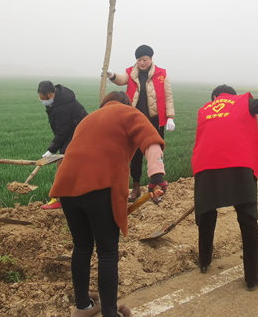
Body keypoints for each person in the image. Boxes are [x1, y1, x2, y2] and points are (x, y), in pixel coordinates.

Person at [50, 91, 167, 317]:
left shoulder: (88, 119)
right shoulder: (128, 113)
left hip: (67, 188)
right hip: (100, 187)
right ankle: (110, 314)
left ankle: (83, 306)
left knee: (82, 246)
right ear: (126, 104)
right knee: (107, 252)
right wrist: (157, 177)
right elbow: (152, 142)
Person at [191, 85, 258, 291]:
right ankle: (253, 276)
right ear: (232, 95)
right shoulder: (242, 102)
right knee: (247, 219)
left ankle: (204, 261)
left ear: (214, 97)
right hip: (239, 166)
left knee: (206, 215)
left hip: (206, 167)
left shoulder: (205, 109)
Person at [108, 44, 175, 202]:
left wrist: (170, 117)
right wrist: (112, 75)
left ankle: (156, 188)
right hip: (135, 120)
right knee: (136, 155)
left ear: (151, 59)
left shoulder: (161, 74)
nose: (142, 63)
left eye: (144, 59)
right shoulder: (131, 73)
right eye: (139, 60)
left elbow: (168, 96)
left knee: (155, 153)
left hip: (155, 120)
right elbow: (121, 79)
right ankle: (136, 188)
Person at [37, 80, 88, 210]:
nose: (43, 101)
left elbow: (63, 131)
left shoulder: (62, 105)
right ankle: (72, 196)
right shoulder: (57, 100)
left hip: (80, 133)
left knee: (62, 163)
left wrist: (51, 150)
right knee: (68, 163)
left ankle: (59, 198)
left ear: (50, 94)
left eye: (43, 99)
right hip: (72, 132)